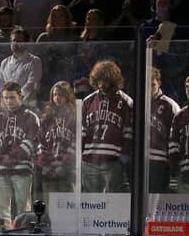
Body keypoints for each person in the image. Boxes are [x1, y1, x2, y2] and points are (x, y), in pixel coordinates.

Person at [81, 60, 133, 193]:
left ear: (113, 80)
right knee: (91, 203)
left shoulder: (126, 101)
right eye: (99, 81)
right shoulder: (88, 101)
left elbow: (128, 131)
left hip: (113, 160)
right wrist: (80, 155)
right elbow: (82, 130)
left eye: (105, 81)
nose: (101, 84)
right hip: (90, 159)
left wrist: (124, 154)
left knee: (113, 201)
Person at [0, 82, 39, 226]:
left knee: (23, 209)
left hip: (22, 170)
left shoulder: (30, 116)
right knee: (2, 210)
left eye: (12, 97)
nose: (8, 101)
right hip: (2, 169)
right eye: (6, 98)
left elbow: (31, 141)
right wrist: (0, 157)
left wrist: (11, 157)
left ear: (21, 96)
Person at [38, 81, 77, 205]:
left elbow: (77, 141)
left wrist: (65, 162)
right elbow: (40, 141)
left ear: (67, 96)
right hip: (49, 170)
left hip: (68, 170)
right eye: (54, 95)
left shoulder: (74, 116)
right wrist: (47, 162)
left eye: (60, 94)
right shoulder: (47, 117)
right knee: (51, 207)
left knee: (67, 206)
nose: (57, 98)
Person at [0, 28, 42, 110]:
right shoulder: (4, 62)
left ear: (26, 43)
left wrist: (15, 100)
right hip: (7, 106)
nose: (15, 43)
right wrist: (4, 100)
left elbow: (31, 85)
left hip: (27, 106)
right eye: (13, 40)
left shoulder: (34, 61)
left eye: (19, 41)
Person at [149, 68, 180, 193]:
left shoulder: (171, 105)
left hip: (160, 162)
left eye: (153, 85)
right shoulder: (136, 104)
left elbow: (176, 137)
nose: (149, 88)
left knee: (157, 203)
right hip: (139, 161)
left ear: (159, 83)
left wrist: (173, 162)